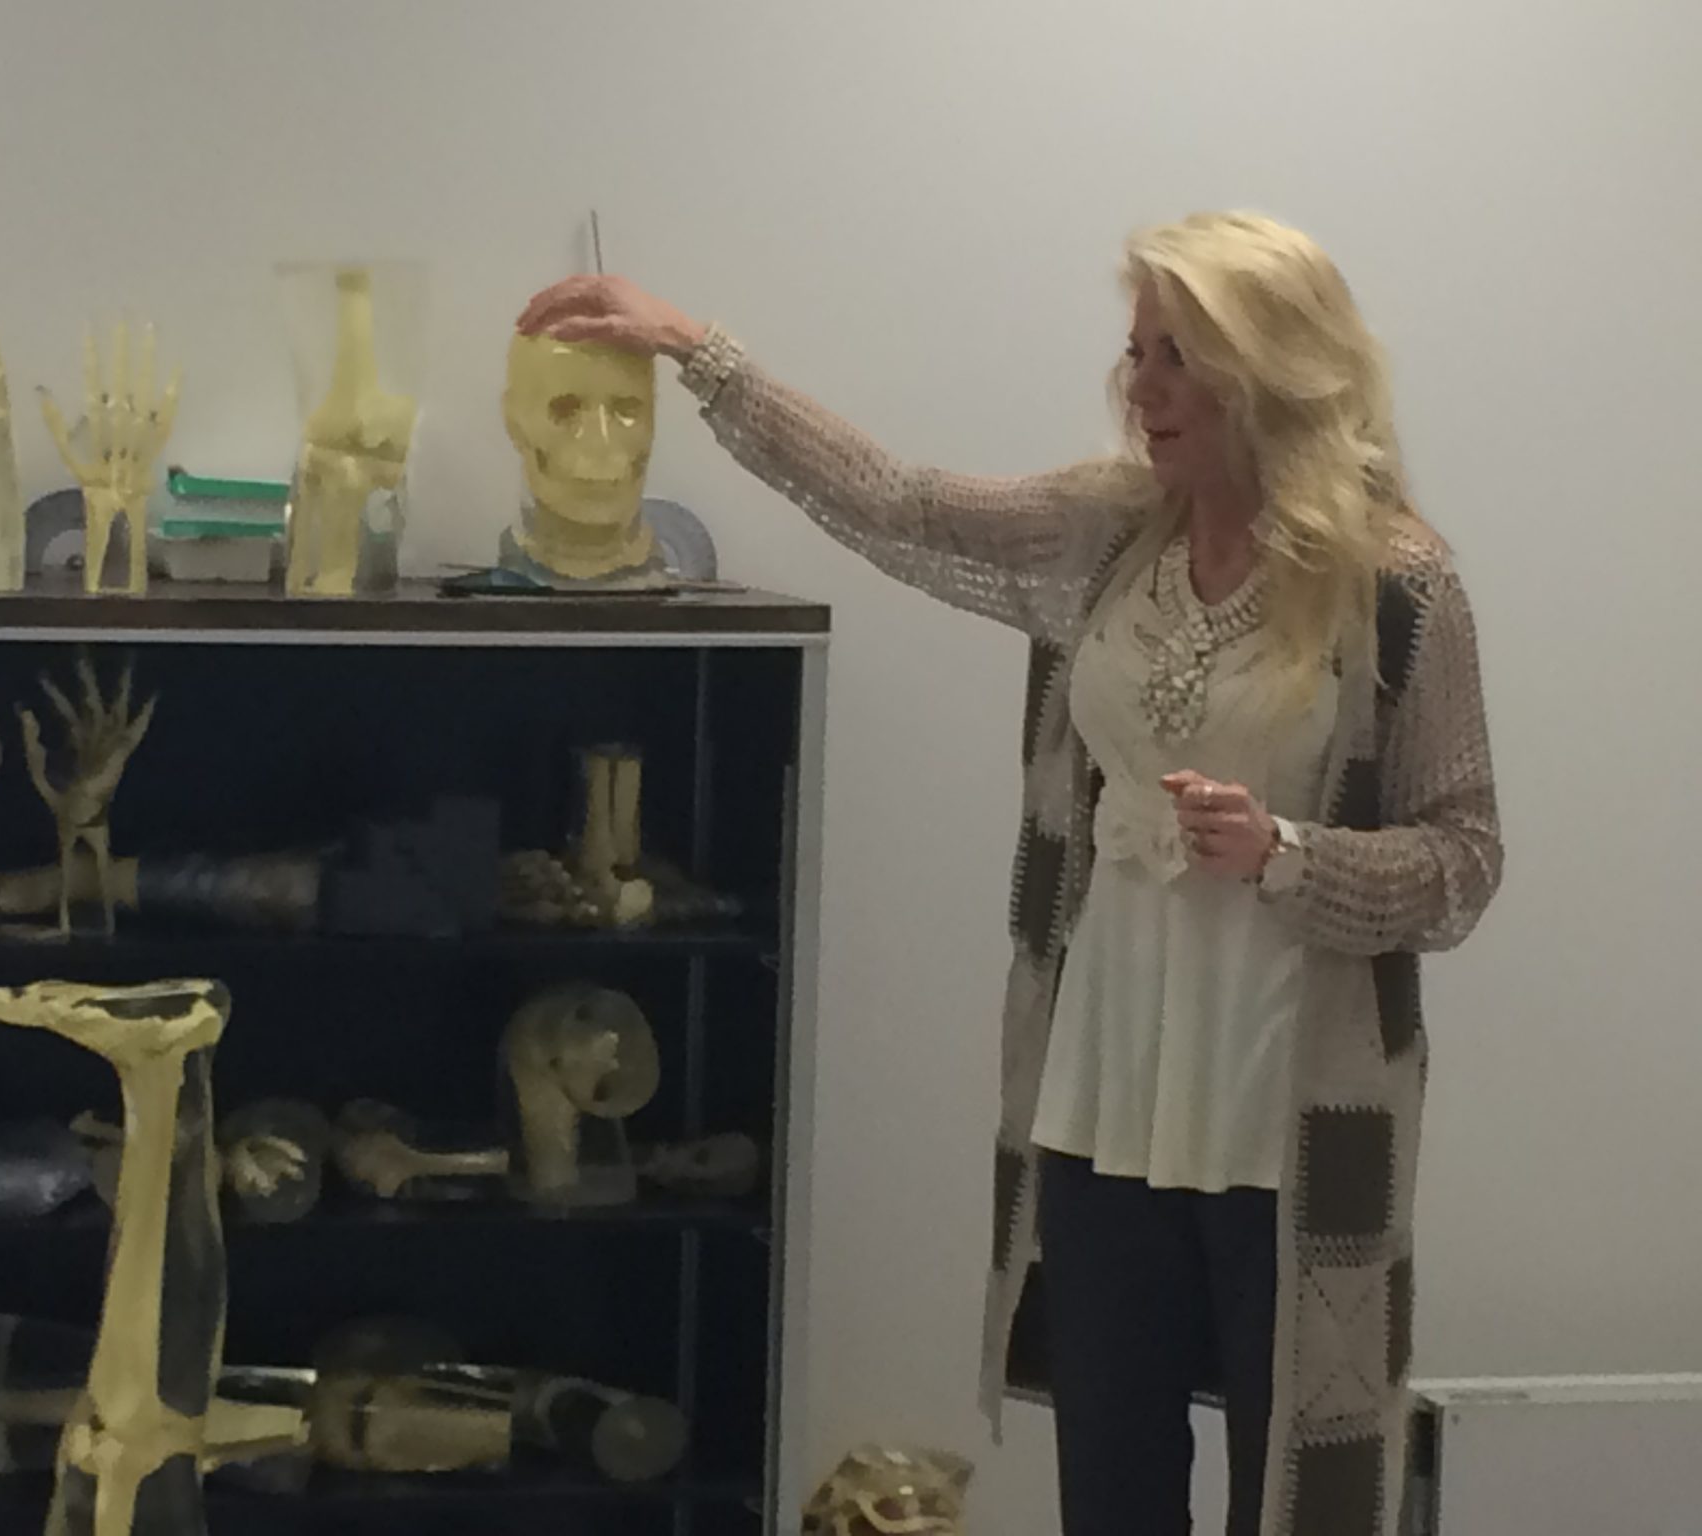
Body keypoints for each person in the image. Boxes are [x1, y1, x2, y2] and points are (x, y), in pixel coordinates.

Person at [519, 211, 1503, 1536]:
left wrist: (1291, 856)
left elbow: (1463, 858)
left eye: (1178, 357)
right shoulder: (1109, 533)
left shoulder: (1397, 585)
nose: (1141, 388)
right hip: (1100, 1097)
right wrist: (701, 353)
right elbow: (899, 502)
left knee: (1298, 1493)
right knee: (1112, 1486)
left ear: (1270, 368)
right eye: (1137, 352)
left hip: (1287, 1119)